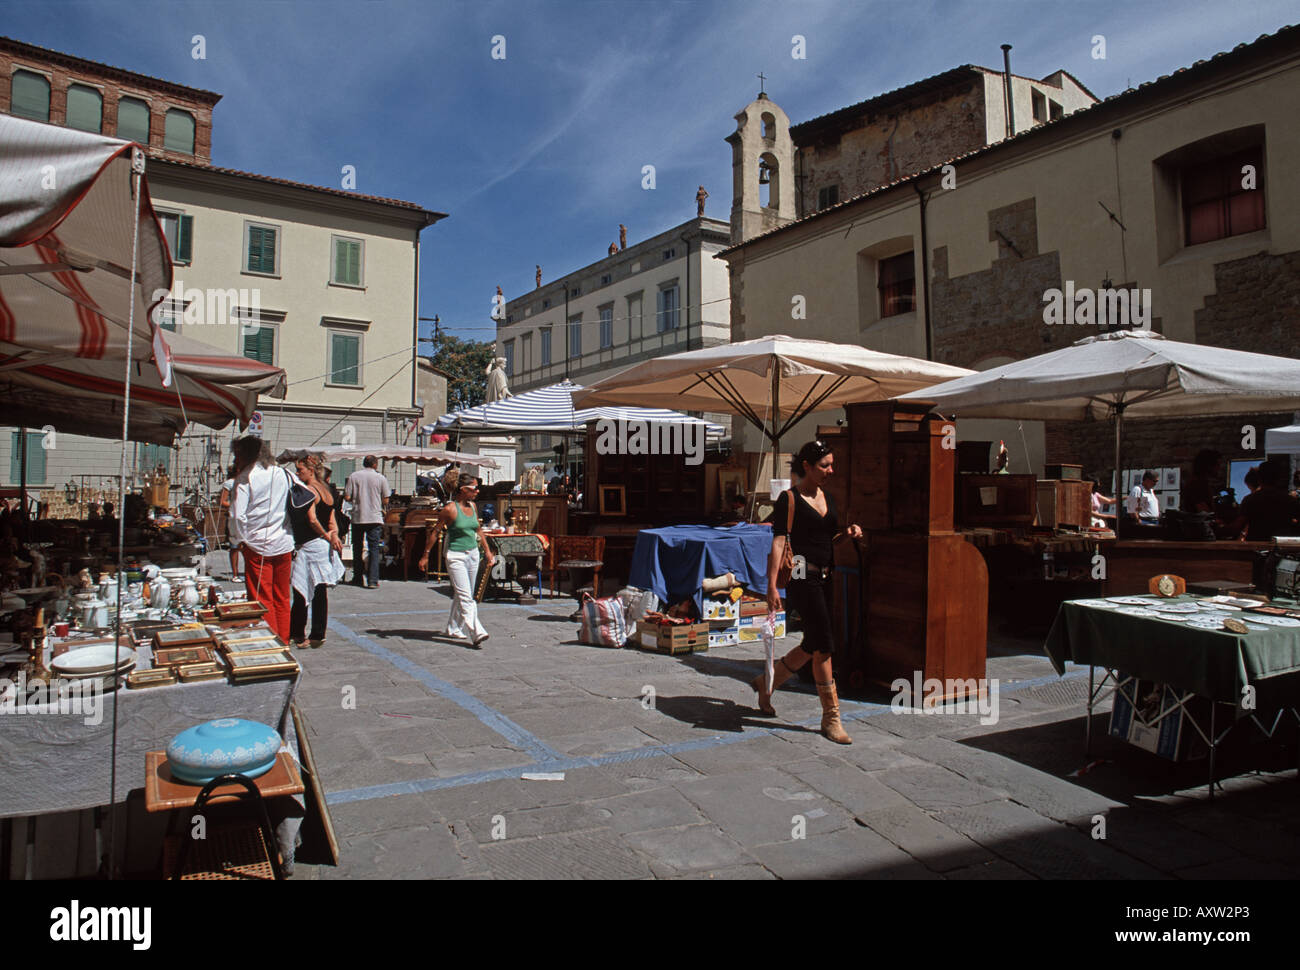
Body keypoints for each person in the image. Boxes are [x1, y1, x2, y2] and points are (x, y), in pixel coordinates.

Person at [756, 440, 863, 745]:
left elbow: (829, 542)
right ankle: (831, 718)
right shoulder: (789, 499)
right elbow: (778, 543)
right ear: (807, 466)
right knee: (825, 646)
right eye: (824, 465)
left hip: (827, 574)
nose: (831, 470)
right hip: (802, 574)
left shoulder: (827, 497)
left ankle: (767, 682)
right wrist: (772, 586)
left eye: (831, 464)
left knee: (812, 643)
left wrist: (848, 535)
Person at [230, 435, 295, 642]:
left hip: (257, 545)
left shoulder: (244, 479)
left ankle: (270, 641)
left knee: (261, 597)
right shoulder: (284, 474)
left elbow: (237, 515)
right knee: (282, 597)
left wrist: (239, 538)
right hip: (284, 541)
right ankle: (284, 638)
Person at [418, 474, 496, 647]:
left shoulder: (474, 506)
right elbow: (435, 532)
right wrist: (426, 554)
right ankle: (477, 631)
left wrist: (488, 552)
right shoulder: (450, 509)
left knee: (463, 593)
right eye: (474, 488)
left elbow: (479, 530)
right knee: (466, 596)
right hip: (456, 556)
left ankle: (453, 628)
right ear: (463, 490)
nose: (477, 491)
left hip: (473, 554)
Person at [288, 454, 345, 648]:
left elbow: (312, 519)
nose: (297, 473)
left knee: (301, 589)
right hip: (322, 546)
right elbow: (332, 519)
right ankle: (318, 633)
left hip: (311, 544)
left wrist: (325, 535)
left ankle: (297, 632)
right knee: (320, 590)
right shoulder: (327, 490)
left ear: (310, 471)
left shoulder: (310, 490)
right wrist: (333, 535)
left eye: (300, 470)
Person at [345, 455, 391, 589]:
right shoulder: (380, 478)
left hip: (358, 516)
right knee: (374, 549)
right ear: (375, 464)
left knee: (357, 548)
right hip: (374, 517)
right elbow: (386, 499)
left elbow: (347, 496)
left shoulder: (354, 476)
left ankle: (357, 577)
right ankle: (372, 579)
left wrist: (357, 498)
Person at [1232, 459, 1300, 540]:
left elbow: (1237, 526)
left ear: (1259, 478)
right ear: (1279, 478)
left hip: (1256, 546)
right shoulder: (1289, 500)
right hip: (1281, 546)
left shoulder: (1250, 500)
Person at [219, 463, 243, 581]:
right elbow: (222, 501)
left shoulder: (246, 482)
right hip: (234, 517)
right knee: (235, 546)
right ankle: (235, 574)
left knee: (247, 546)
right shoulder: (229, 483)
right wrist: (235, 506)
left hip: (246, 518)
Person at [1183, 449, 1223, 515]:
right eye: (1217, 465)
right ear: (1209, 466)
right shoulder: (1197, 483)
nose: (1219, 468)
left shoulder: (1199, 482)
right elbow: (1203, 511)